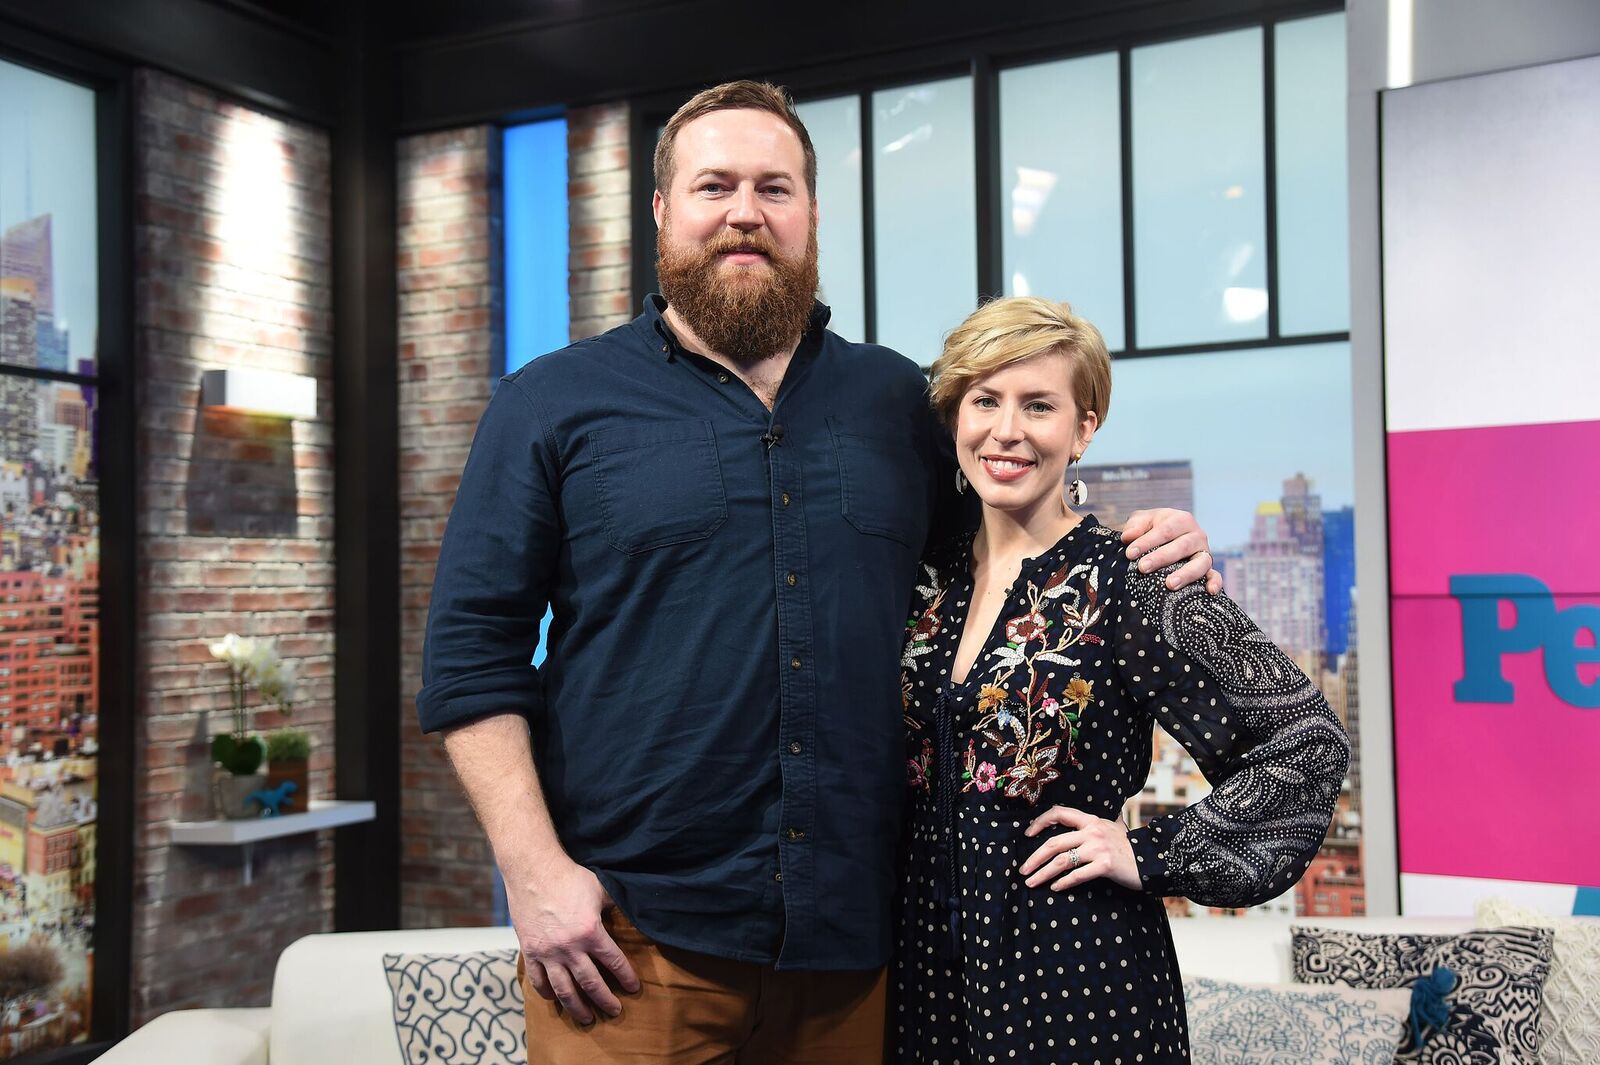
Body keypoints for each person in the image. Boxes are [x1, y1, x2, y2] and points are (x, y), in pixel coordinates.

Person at [417, 82, 1220, 1063]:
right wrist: (532, 871)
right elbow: (469, 654)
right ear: (664, 211)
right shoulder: (549, 403)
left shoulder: (894, 400)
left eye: (774, 187)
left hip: (856, 951)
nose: (745, 211)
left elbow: (1008, 563)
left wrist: (1149, 544)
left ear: (811, 216)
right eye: (714, 186)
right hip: (631, 950)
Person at [894, 295, 1351, 1063]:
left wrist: (1148, 852)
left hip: (1079, 982)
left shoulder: (1132, 580)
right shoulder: (920, 574)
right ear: (954, 417)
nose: (1006, 430)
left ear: (1083, 428)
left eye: (1038, 405)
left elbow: (1307, 743)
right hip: (921, 983)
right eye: (985, 400)